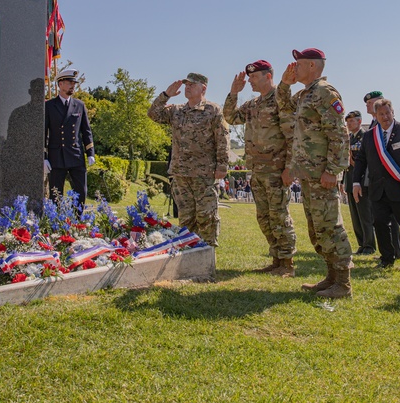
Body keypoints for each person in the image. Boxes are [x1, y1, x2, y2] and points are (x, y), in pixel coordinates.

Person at [276, 48, 354, 298]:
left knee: (330, 226)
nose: (293, 68)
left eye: (298, 64)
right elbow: (284, 107)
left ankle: (343, 284)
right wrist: (285, 85)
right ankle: (331, 277)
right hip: (310, 174)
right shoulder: (304, 94)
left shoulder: (324, 93)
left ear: (311, 66)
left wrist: (332, 170)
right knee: (317, 228)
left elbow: (339, 134)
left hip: (323, 174)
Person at [223, 60, 297, 276]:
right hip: (257, 170)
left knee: (279, 216)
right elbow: (230, 117)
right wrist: (234, 93)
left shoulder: (281, 100)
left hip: (276, 169)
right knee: (264, 218)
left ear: (268, 76)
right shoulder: (253, 104)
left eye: (254, 77)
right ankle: (276, 259)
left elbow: (292, 136)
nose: (250, 81)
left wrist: (289, 168)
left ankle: (287, 263)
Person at [148, 72, 229, 247]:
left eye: (192, 84)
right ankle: (188, 258)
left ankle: (207, 256)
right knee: (186, 218)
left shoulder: (212, 110)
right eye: (186, 84)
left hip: (204, 174)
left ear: (203, 88)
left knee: (206, 216)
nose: (188, 87)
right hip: (181, 174)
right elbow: (153, 114)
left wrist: (222, 166)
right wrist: (166, 95)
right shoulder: (176, 110)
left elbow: (222, 139)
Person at [352, 98, 400, 270]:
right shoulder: (370, 136)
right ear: (376, 116)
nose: (385, 117)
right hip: (378, 190)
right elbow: (361, 161)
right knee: (380, 225)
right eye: (381, 114)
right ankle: (387, 259)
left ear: (393, 112)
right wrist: (356, 182)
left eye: (388, 113)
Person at [363, 90, 400, 260]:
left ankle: (395, 252)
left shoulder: (389, 126)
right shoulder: (372, 125)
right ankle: (386, 252)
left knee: (391, 220)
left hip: (390, 181)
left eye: (370, 102)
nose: (368, 105)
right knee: (379, 220)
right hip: (376, 181)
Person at [44, 68, 94, 202]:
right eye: (69, 82)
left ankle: (78, 222)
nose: (73, 86)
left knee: (81, 192)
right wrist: (44, 157)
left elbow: (86, 131)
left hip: (76, 155)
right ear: (60, 84)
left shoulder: (79, 105)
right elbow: (43, 133)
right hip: (56, 156)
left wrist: (90, 153)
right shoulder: (49, 106)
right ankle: (57, 222)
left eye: (74, 83)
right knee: (56, 195)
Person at [344, 110, 376, 255]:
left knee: (365, 214)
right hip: (350, 179)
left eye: (352, 121)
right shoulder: (349, 138)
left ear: (359, 121)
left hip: (362, 180)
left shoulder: (364, 137)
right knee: (355, 215)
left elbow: (365, 160)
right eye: (348, 122)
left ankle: (369, 245)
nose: (349, 124)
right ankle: (361, 244)